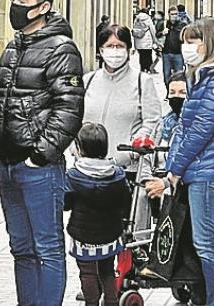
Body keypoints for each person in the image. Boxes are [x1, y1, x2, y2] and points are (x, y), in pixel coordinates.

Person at [0, 0, 85, 306]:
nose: (15, 8)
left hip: (39, 168)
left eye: (23, 2)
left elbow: (70, 108)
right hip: (7, 164)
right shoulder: (13, 47)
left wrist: (41, 155)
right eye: (13, 1)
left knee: (47, 249)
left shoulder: (61, 48)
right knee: (21, 248)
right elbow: (2, 101)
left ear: (43, 7)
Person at [144, 19, 214, 306]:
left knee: (205, 242)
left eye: (192, 41)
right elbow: (184, 127)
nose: (186, 47)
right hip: (201, 167)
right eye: (184, 42)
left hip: (210, 170)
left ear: (209, 43)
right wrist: (172, 169)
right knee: (203, 242)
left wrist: (174, 172)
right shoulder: (204, 76)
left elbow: (200, 130)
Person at [65, 123, 132, 306]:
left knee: (87, 273)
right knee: (107, 271)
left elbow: (66, 204)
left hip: (83, 234)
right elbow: (125, 201)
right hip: (110, 232)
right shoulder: (117, 174)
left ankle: (91, 303)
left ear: (80, 149)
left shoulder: (73, 176)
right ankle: (112, 301)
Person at [83, 25, 160, 170]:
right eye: (109, 46)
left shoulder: (143, 82)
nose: (114, 51)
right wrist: (77, 149)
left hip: (126, 168)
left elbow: (152, 123)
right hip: (86, 167)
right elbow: (75, 119)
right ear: (101, 50)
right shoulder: (88, 80)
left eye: (119, 46)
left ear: (128, 50)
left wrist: (130, 153)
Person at [161, 5, 190, 87]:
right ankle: (169, 91)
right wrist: (162, 33)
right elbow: (157, 34)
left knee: (179, 75)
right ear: (169, 15)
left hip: (178, 53)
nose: (174, 16)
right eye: (172, 14)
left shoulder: (182, 24)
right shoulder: (165, 24)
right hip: (166, 53)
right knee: (166, 75)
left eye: (176, 14)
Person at [158, 72, 189, 145]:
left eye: (182, 93)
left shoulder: (199, 127)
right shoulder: (164, 123)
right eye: (172, 92)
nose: (176, 96)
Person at [131, 8, 158, 74]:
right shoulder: (148, 18)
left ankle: (143, 68)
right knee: (148, 55)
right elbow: (152, 29)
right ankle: (149, 68)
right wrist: (155, 40)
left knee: (141, 55)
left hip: (138, 40)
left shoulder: (136, 19)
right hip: (146, 40)